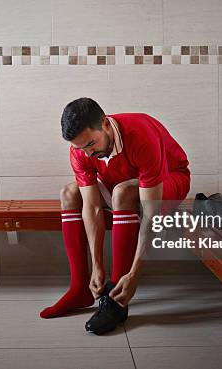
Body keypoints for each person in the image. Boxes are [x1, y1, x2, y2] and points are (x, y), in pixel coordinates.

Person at [39, 97, 191, 334]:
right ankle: (80, 288)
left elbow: (152, 215)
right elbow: (92, 207)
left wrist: (134, 275)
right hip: (122, 180)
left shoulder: (141, 135)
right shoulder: (81, 151)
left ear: (106, 124)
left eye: (91, 144)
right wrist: (97, 266)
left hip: (171, 179)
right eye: (81, 148)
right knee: (69, 193)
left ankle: (117, 299)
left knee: (122, 193)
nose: (88, 153)